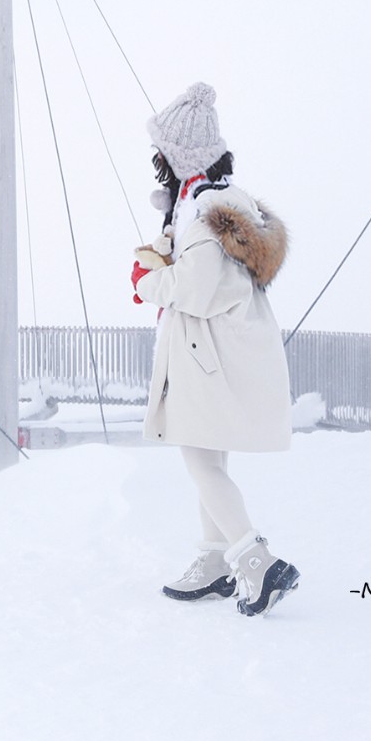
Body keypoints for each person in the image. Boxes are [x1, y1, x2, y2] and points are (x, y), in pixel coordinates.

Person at [131, 83, 299, 617]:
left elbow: (195, 289)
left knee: (199, 459)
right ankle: (213, 561)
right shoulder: (221, 206)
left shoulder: (205, 213)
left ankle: (256, 561)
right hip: (219, 354)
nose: (158, 164)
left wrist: (144, 280)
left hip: (206, 356)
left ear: (179, 157)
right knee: (209, 452)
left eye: (161, 154)